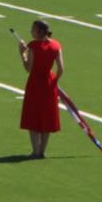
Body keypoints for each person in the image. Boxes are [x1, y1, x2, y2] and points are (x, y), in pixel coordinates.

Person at [17, 20, 64, 159]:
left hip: (35, 82)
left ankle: (35, 151)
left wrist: (22, 54)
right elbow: (61, 69)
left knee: (33, 116)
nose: (31, 31)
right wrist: (54, 82)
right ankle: (42, 151)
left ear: (40, 32)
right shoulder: (56, 45)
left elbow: (28, 68)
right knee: (46, 117)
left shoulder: (33, 46)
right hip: (49, 82)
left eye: (33, 29)